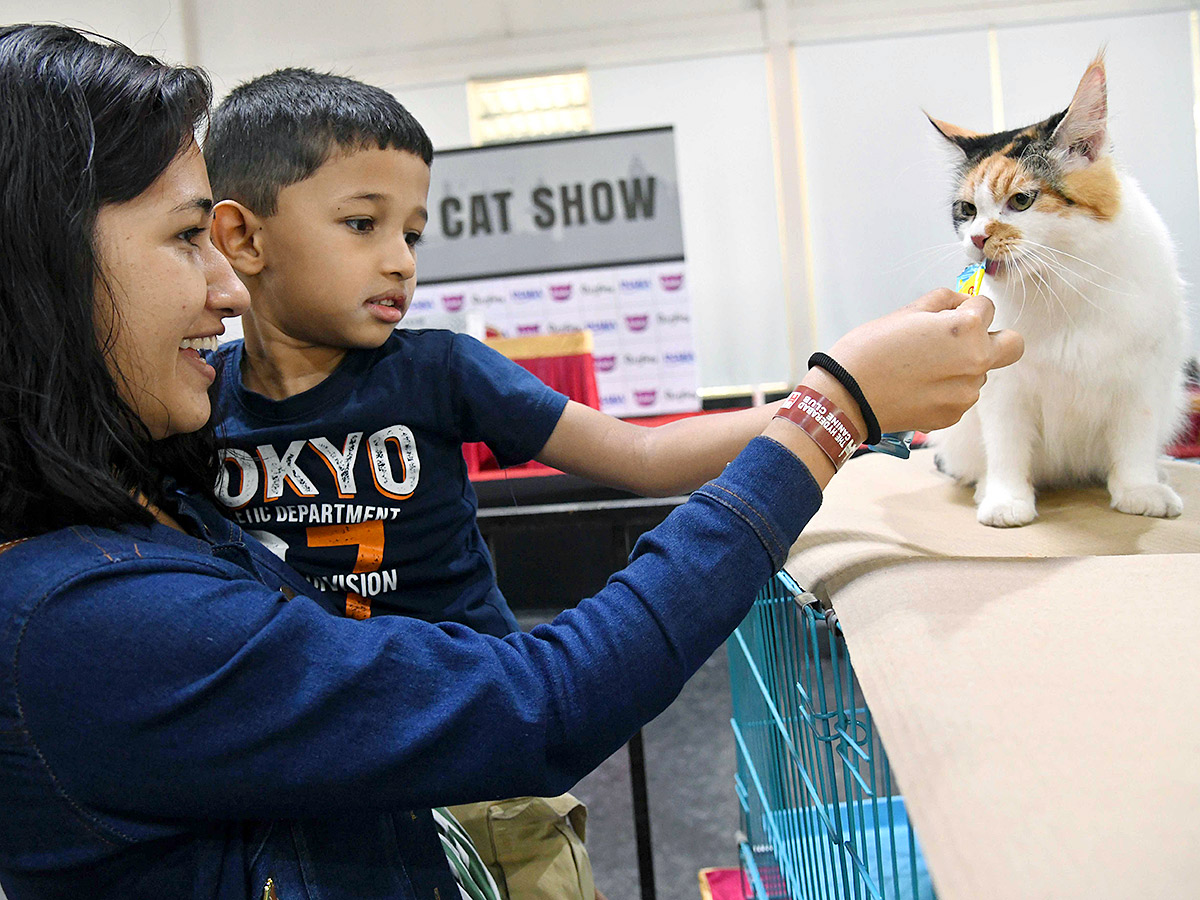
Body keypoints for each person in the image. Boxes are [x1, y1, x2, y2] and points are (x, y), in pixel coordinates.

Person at [0, 23, 1022, 900]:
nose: (400, 259)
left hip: (456, 780)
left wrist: (825, 399)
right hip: (451, 736)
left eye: (412, 231)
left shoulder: (398, 384)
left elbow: (638, 454)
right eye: (187, 237)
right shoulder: (96, 598)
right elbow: (547, 700)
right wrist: (834, 409)